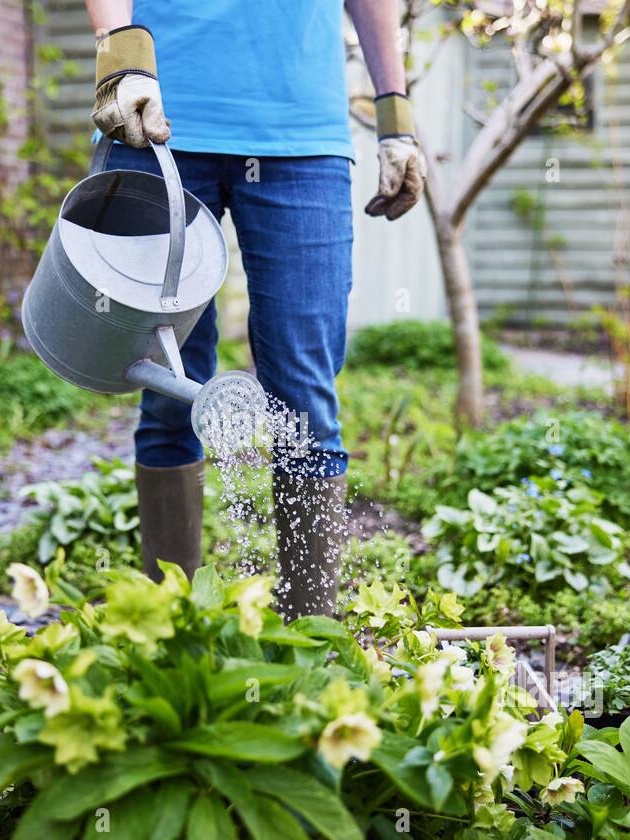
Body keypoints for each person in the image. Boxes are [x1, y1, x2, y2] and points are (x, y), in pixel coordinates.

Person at [85, 0, 425, 617]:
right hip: (156, 115)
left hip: (301, 134)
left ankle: (309, 655)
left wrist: (395, 116)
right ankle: (169, 637)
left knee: (306, 395)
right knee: (168, 386)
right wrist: (120, 59)